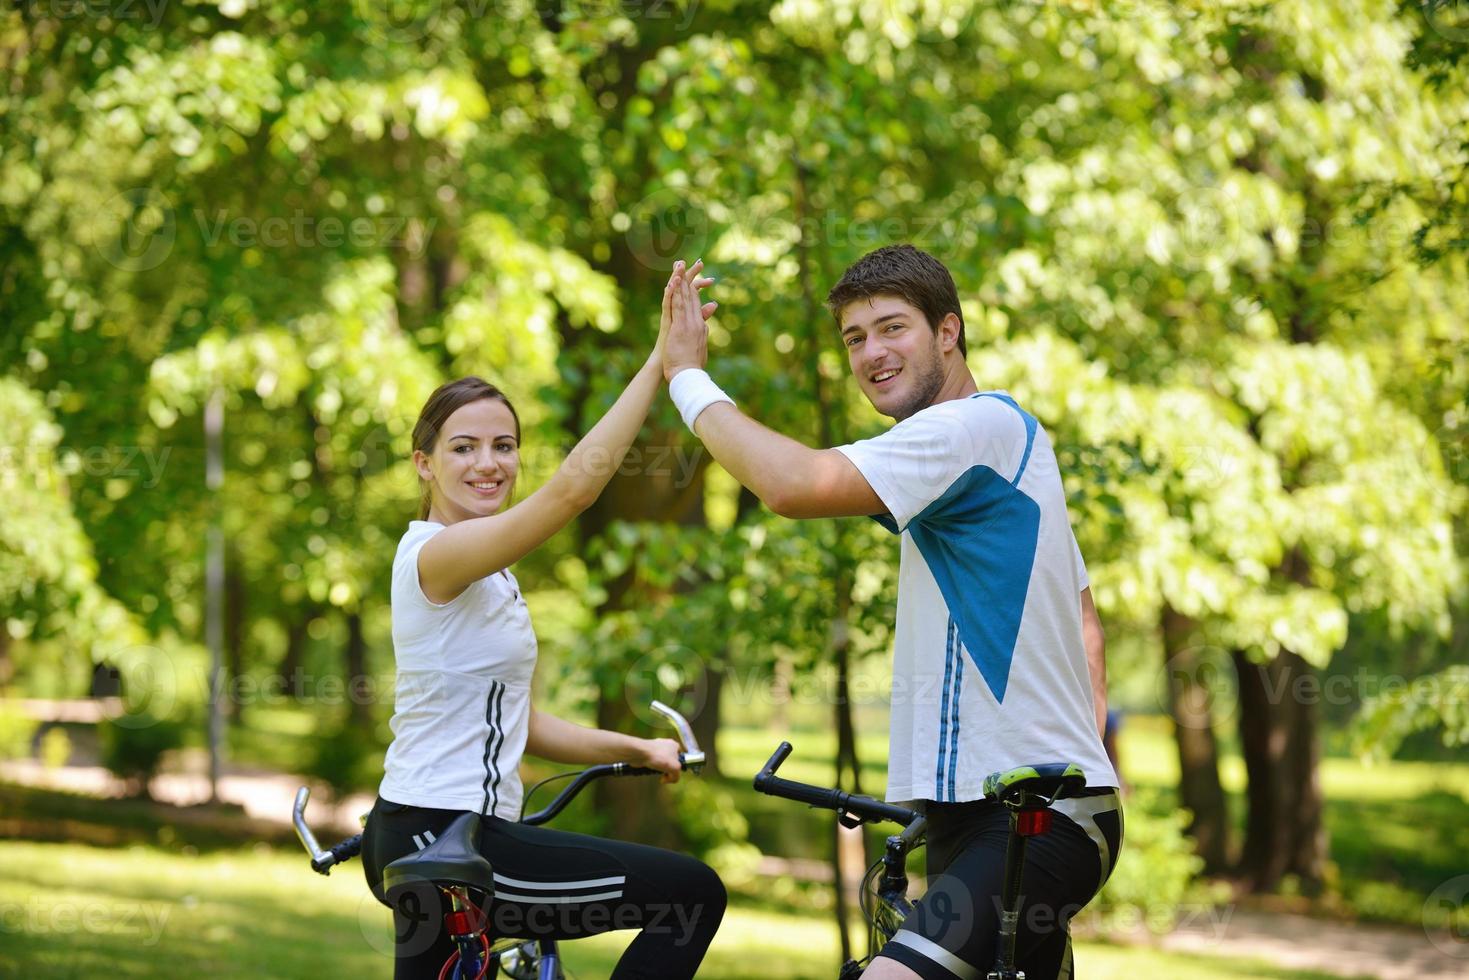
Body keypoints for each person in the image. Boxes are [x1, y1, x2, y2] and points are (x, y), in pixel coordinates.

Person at [661, 247, 1121, 979]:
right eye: (853, 337)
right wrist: (1081, 759)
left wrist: (684, 376)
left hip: (1030, 821)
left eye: (891, 328)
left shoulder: (971, 428)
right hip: (984, 814)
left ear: (948, 332)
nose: (871, 352)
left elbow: (789, 484)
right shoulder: (992, 455)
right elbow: (1083, 620)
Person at [360, 265, 726, 980]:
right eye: (463, 448)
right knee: (688, 895)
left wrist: (636, 748)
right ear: (424, 465)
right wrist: (660, 364)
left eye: (503, 445)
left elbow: (519, 723)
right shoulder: (437, 555)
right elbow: (573, 491)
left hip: (427, 835)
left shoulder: (488, 569)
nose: (488, 463)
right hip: (449, 839)